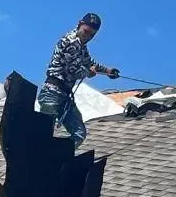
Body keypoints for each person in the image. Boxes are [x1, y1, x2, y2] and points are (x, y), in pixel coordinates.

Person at [38, 13, 121, 144]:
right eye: (86, 31)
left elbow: (89, 62)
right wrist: (89, 72)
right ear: (79, 24)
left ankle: (57, 157)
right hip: (52, 93)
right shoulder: (69, 42)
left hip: (65, 95)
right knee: (43, 132)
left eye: (91, 35)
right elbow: (74, 69)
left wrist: (107, 71)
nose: (87, 36)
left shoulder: (81, 46)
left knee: (79, 133)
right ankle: (41, 158)